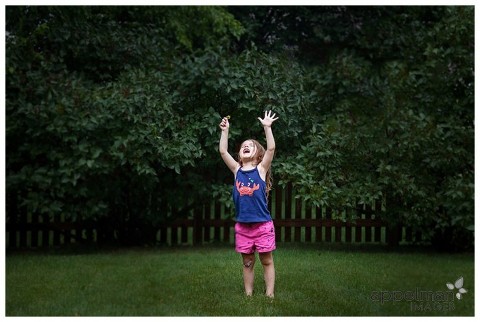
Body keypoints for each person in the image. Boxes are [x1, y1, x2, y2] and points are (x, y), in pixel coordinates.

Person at [218, 110, 279, 298]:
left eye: (250, 146)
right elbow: (222, 151)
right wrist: (225, 132)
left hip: (262, 225)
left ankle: (269, 295)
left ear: (257, 155)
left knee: (266, 260)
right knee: (247, 262)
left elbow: (271, 149)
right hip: (243, 226)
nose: (246, 146)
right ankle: (248, 295)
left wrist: (267, 128)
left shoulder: (261, 170)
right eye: (243, 146)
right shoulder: (237, 170)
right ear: (239, 154)